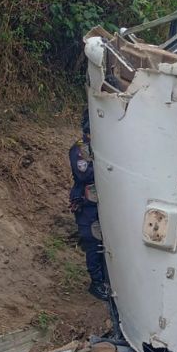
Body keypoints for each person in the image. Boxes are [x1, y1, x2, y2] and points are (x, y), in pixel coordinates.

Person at [69, 111, 109, 300]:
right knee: (94, 242)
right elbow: (84, 174)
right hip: (87, 204)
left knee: (105, 242)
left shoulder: (101, 147)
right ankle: (96, 282)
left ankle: (106, 280)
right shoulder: (80, 149)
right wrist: (106, 168)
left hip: (102, 203)